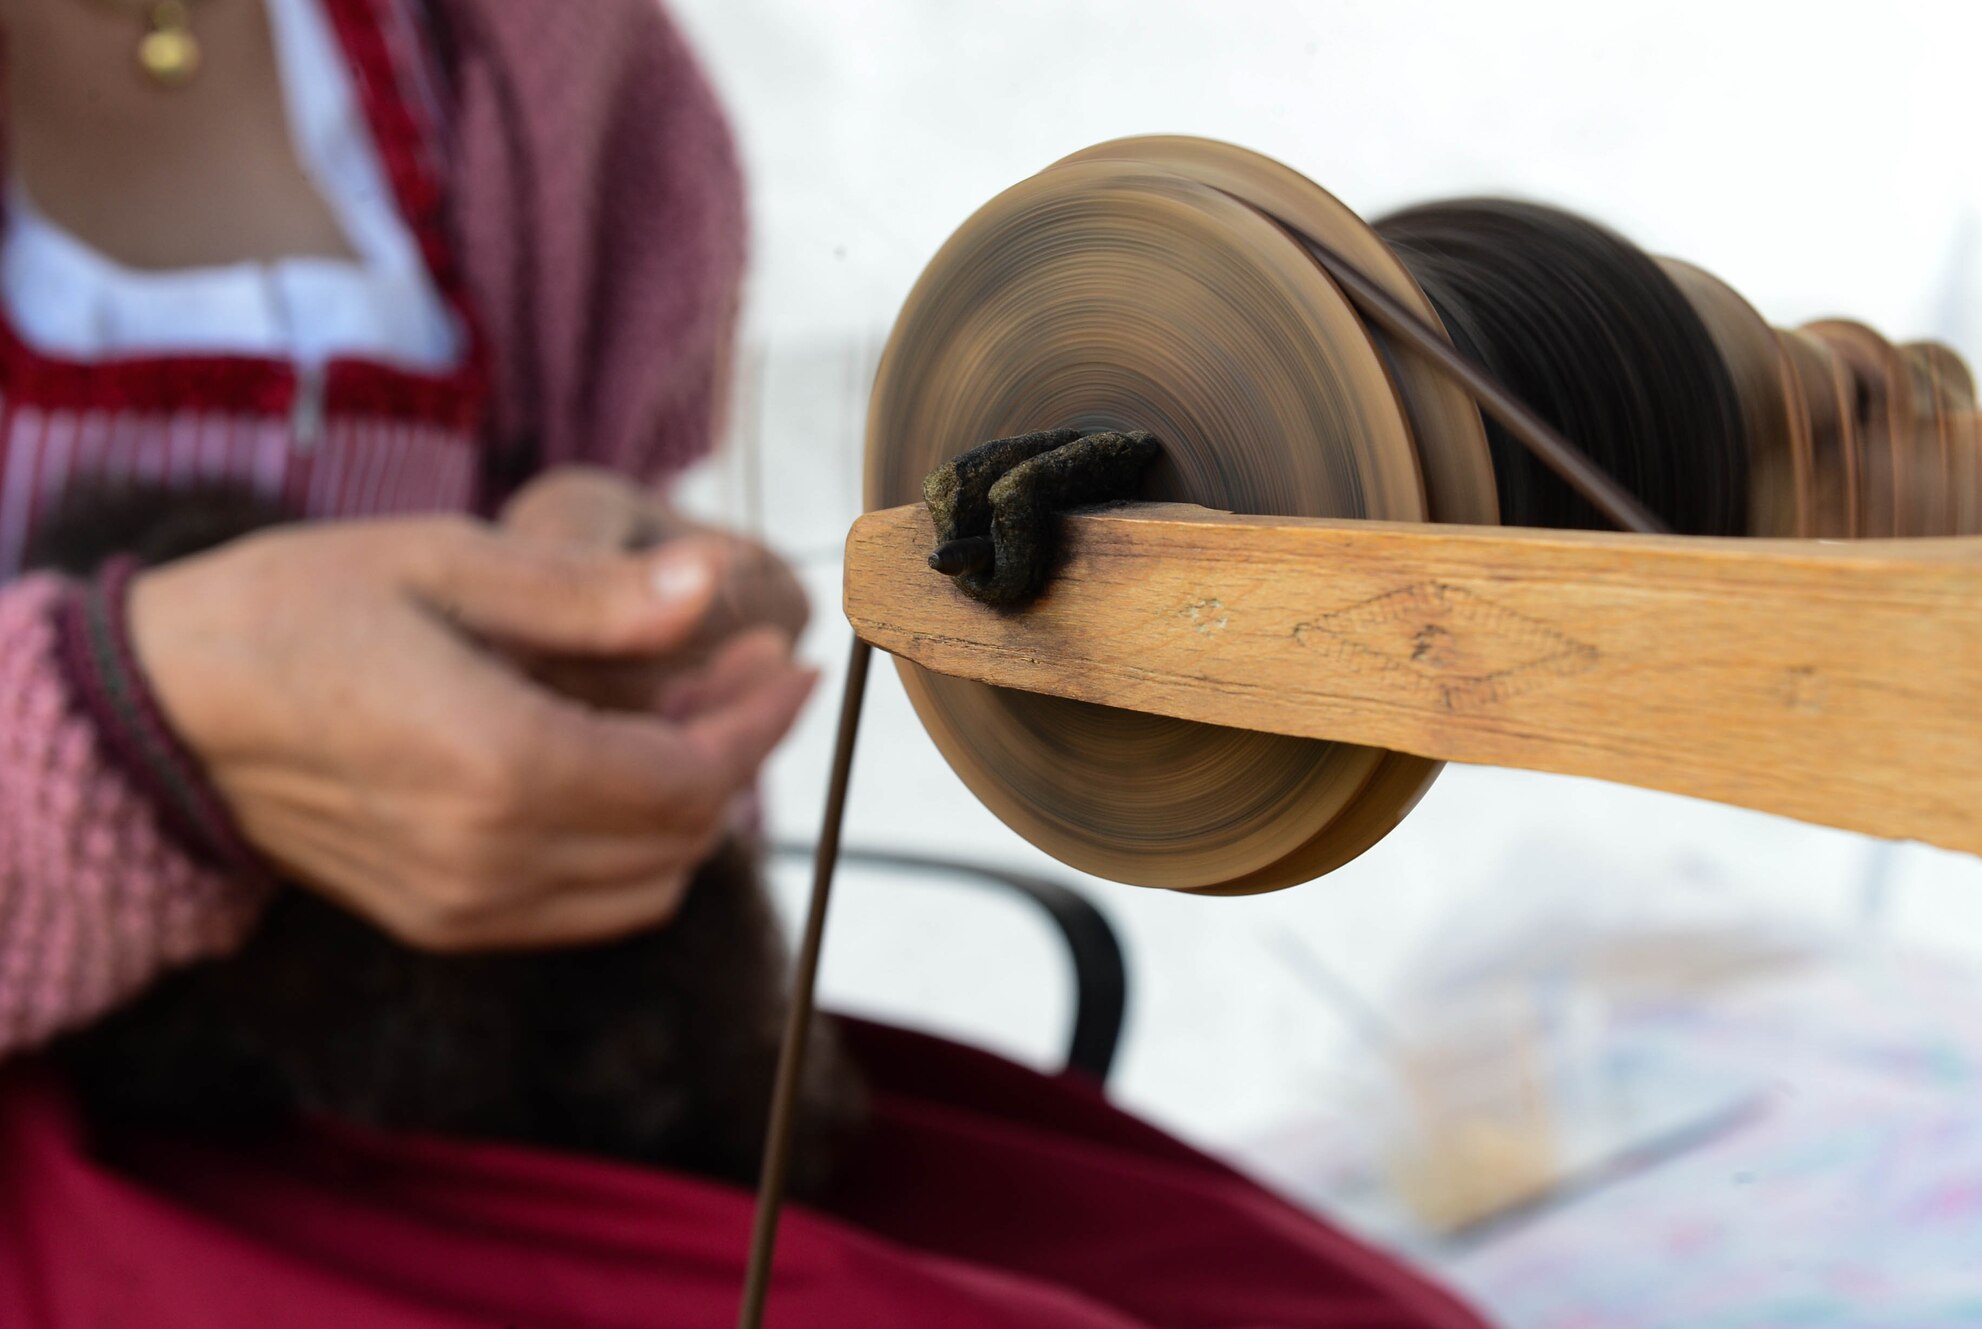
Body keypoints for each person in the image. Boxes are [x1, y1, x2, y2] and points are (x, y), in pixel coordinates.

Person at [0, 2, 1490, 1325]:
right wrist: (125, 714)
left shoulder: (527, 55)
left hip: (518, 1071)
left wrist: (621, 611)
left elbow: (606, 488)